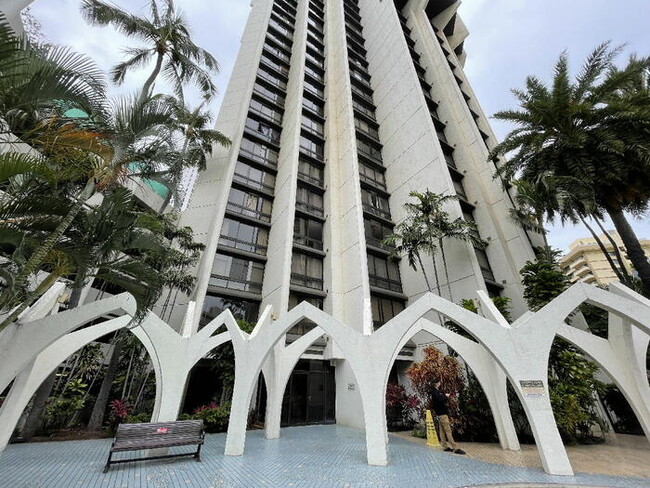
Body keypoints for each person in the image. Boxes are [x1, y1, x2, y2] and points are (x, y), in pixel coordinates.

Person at [431, 379, 465, 454]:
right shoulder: (435, 392)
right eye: (439, 382)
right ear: (436, 383)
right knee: (448, 431)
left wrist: (444, 396)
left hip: (439, 414)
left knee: (442, 431)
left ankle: (445, 446)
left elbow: (439, 400)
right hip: (442, 414)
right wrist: (446, 397)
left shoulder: (434, 392)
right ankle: (455, 448)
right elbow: (440, 400)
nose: (440, 383)